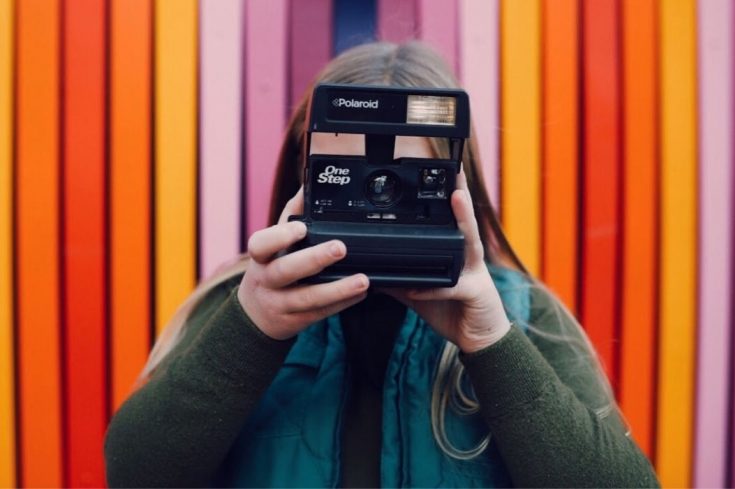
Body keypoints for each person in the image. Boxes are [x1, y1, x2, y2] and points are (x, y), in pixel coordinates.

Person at [104, 41, 659, 488]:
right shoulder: (240, 300)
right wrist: (251, 328)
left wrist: (492, 341)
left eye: (402, 186)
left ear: (458, 186)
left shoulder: (521, 311)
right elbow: (134, 474)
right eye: (354, 178)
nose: (379, 196)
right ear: (306, 172)